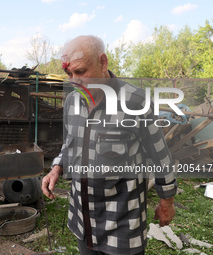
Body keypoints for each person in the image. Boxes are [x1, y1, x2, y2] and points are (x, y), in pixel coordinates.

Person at [41, 35, 177, 255]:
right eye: (70, 74)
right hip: (83, 221)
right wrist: (57, 168)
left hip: (122, 226)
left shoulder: (135, 102)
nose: (75, 81)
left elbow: (160, 155)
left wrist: (167, 201)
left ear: (103, 62)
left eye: (81, 71)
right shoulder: (71, 102)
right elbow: (70, 144)